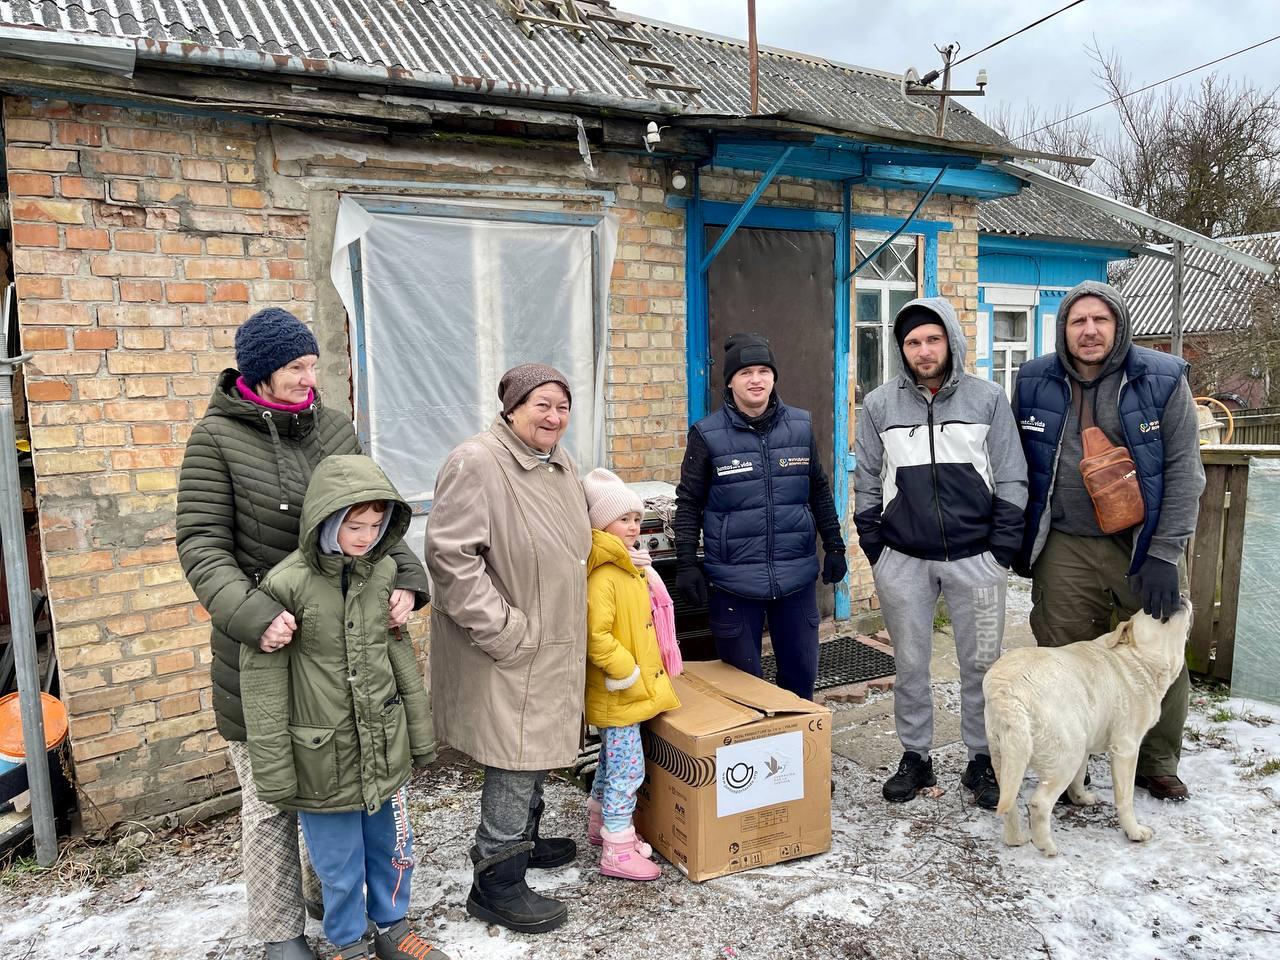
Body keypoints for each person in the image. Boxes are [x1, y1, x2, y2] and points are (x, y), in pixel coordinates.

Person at [177, 308, 430, 960]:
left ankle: (340, 910)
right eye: (296, 367)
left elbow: (377, 513)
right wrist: (253, 613)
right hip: (264, 649)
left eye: (313, 364)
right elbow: (202, 545)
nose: (309, 378)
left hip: (343, 650)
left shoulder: (334, 428)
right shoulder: (215, 440)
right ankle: (279, 934)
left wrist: (406, 581)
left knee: (346, 787)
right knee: (270, 804)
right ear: (262, 369)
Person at [240, 456, 449, 960]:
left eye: (377, 526)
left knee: (393, 849)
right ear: (326, 520)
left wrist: (418, 734)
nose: (366, 536)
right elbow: (264, 684)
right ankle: (348, 943)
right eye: (355, 525)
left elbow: (398, 653)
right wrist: (274, 769)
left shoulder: (384, 574)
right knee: (338, 862)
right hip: (321, 759)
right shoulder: (287, 585)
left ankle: (393, 928)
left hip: (384, 748)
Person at [1012, 280, 1204, 802]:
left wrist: (1165, 553)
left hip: (1141, 544)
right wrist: (1015, 535)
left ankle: (1156, 759)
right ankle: (1070, 758)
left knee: (1157, 655)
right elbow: (1017, 465)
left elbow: (1186, 472)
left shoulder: (1162, 379)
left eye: (1101, 320)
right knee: (1062, 653)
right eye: (1078, 321)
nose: (1090, 331)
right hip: (1065, 543)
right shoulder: (1032, 381)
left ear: (1119, 325)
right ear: (1063, 329)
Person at [425, 363, 591, 934]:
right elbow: (450, 557)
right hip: (510, 641)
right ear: (513, 408)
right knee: (515, 753)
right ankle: (496, 880)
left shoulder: (559, 461)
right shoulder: (477, 462)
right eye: (542, 405)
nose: (554, 417)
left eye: (563, 407)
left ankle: (527, 836)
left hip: (553, 634)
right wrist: (504, 630)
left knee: (537, 740)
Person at [853, 297, 1027, 809]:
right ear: (900, 349)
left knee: (980, 664)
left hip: (977, 558)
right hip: (903, 557)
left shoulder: (988, 398)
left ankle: (981, 759)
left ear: (951, 339)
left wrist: (1000, 550)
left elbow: (1012, 474)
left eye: (933, 339)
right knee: (910, 663)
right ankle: (916, 756)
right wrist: (874, 546)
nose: (924, 350)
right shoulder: (881, 404)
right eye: (912, 342)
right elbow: (866, 479)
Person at [674, 334, 846, 703]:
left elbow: (818, 489)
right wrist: (687, 562)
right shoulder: (707, 435)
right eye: (746, 372)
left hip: (795, 577)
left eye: (764, 371)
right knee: (742, 690)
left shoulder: (800, 427)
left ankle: (800, 756)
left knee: (800, 681)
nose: (756, 379)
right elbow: (688, 502)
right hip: (734, 581)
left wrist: (835, 545)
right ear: (730, 381)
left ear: (774, 377)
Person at [580, 469, 681, 882]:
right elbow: (595, 634)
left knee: (610, 760)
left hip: (625, 689)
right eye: (623, 519)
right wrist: (628, 672)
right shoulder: (604, 573)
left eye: (637, 519)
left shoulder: (630, 566)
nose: (634, 527)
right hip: (618, 688)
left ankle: (599, 821)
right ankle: (617, 849)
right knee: (628, 768)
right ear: (601, 523)